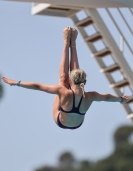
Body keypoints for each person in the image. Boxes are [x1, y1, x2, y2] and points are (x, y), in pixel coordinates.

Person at [2, 27, 130, 130]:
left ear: (71, 81)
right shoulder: (91, 96)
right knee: (64, 81)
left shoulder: (65, 92)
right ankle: (72, 43)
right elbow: (106, 97)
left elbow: (38, 86)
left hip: (60, 121)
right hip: (77, 124)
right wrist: (120, 100)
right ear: (85, 82)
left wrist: (17, 83)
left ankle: (66, 41)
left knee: (62, 81)